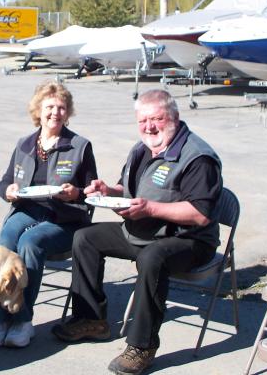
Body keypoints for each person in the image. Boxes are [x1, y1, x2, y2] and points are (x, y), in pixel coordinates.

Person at [52, 88, 222, 375]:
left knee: (152, 258)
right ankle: (91, 319)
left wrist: (151, 209)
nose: (149, 127)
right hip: (142, 230)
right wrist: (108, 191)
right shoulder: (142, 148)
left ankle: (142, 346)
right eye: (142, 121)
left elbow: (201, 214)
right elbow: (127, 191)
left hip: (187, 240)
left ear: (175, 118)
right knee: (85, 238)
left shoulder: (198, 157)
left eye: (156, 119)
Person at [0, 81, 98, 349]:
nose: (55, 113)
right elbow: (4, 182)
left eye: (61, 108)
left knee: (30, 243)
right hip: (28, 209)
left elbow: (93, 192)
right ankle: (2, 318)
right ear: (38, 109)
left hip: (65, 217)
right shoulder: (24, 143)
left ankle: (23, 321)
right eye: (49, 107)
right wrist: (8, 191)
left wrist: (76, 193)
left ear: (68, 112)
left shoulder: (80, 146)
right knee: (6, 242)